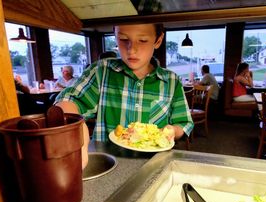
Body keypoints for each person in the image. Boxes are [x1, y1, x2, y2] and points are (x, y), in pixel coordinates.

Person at [55, 23, 194, 169]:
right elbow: (68, 99)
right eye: (123, 39)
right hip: (107, 164)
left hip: (153, 165)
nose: (131, 50)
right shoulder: (101, 71)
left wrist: (172, 131)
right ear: (115, 36)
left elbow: (183, 123)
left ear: (158, 41)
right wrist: (73, 127)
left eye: (143, 41)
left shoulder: (171, 81)